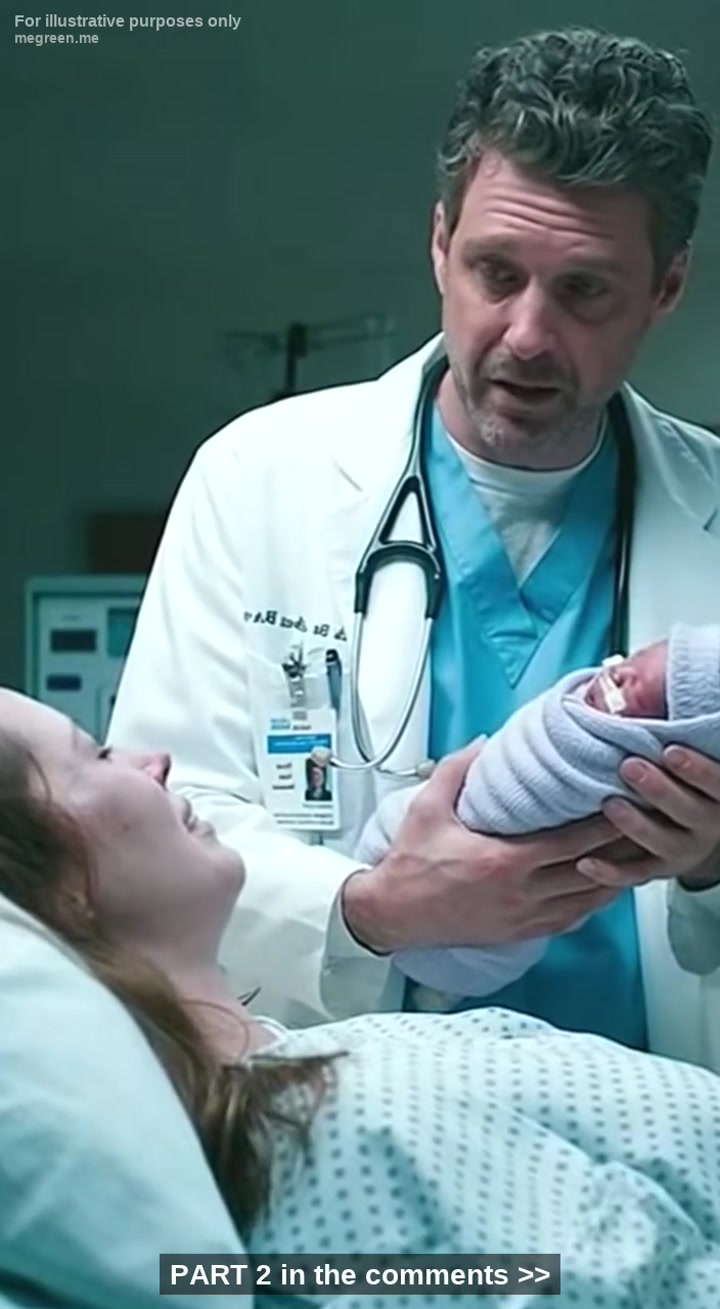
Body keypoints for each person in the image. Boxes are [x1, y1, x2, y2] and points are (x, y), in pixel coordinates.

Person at [109, 27, 720, 1063]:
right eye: (496, 272)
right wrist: (371, 908)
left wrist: (710, 864)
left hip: (656, 1124)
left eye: (584, 290)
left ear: (667, 287)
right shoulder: (258, 479)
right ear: (441, 243)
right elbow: (154, 830)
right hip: (349, 1116)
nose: (528, 334)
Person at [2, 690, 720, 1308]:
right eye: (96, 755)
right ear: (56, 887)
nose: (153, 760)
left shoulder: (330, 1083)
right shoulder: (331, 1142)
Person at [357, 623, 720, 999]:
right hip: (378, 1003)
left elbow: (704, 952)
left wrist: (709, 865)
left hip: (607, 1011)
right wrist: (377, 910)